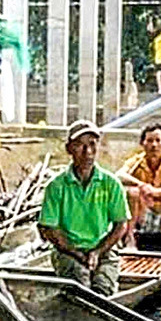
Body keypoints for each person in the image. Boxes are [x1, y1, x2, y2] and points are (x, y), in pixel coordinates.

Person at [38, 120, 129, 296]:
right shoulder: (56, 186)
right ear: (69, 149)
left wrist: (97, 252)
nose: (88, 152)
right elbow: (50, 229)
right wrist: (77, 254)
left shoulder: (111, 184)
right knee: (80, 286)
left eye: (92, 145)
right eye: (80, 145)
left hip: (104, 249)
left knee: (103, 289)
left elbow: (121, 224)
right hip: (68, 251)